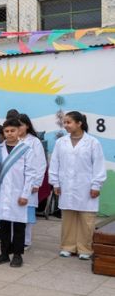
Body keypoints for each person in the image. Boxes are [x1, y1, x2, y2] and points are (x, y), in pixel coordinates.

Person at [49, 111, 106, 260]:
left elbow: (98, 165)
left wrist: (96, 185)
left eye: (69, 122)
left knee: (86, 220)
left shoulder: (93, 142)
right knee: (68, 219)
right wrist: (55, 182)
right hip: (66, 186)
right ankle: (67, 246)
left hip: (86, 187)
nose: (66, 125)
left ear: (79, 123)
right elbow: (55, 163)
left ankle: (85, 249)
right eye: (65, 123)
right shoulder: (61, 142)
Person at [0, 118, 37, 268]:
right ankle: (4, 253)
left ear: (19, 131)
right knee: (3, 224)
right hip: (3, 193)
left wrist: (25, 194)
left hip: (19, 193)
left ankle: (17, 255)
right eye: (6, 131)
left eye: (12, 131)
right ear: (3, 133)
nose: (9, 134)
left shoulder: (26, 149)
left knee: (18, 225)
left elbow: (30, 173)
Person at [17, 113, 47, 249]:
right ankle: (14, 239)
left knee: (27, 213)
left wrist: (36, 183)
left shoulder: (34, 142)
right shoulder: (12, 140)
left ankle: (25, 241)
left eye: (20, 125)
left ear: (27, 126)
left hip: (29, 182)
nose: (18, 128)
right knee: (14, 212)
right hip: (14, 183)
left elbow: (41, 164)